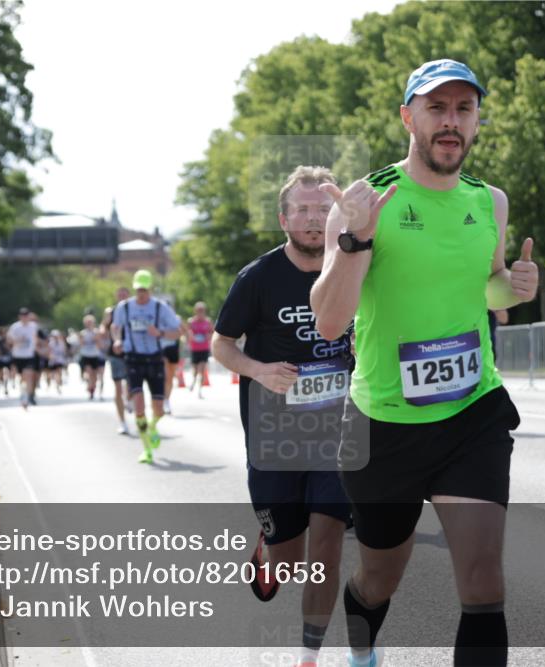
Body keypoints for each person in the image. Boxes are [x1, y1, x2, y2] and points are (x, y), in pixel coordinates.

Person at [310, 59, 537, 667]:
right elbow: (331, 320)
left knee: (484, 581)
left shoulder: (488, 201)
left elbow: (483, 290)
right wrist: (355, 240)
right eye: (436, 109)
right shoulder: (363, 203)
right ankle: (362, 636)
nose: (451, 122)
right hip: (383, 422)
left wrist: (511, 286)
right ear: (408, 116)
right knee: (380, 576)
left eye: (463, 109)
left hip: (473, 411)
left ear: (477, 121)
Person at [213, 165, 353, 667]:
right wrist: (257, 369)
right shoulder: (258, 278)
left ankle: (308, 657)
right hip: (274, 436)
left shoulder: (359, 266)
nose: (314, 220)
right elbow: (221, 344)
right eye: (303, 210)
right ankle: (269, 549)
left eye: (323, 209)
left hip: (340, 431)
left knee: (329, 544)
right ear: (284, 218)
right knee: (290, 562)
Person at [111, 270, 181, 462]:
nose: (141, 293)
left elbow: (177, 332)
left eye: (144, 289)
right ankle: (147, 449)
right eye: (138, 289)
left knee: (158, 409)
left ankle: (152, 426)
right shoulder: (124, 308)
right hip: (133, 358)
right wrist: (117, 341)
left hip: (155, 359)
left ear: (150, 289)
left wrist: (159, 333)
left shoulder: (161, 307)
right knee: (139, 405)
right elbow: (115, 327)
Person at [105, 289, 132, 434]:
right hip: (115, 352)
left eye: (124, 294)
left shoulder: (134, 309)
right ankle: (122, 422)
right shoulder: (112, 311)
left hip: (132, 352)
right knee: (117, 387)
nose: (122, 297)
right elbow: (106, 329)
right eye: (120, 294)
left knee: (132, 384)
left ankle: (129, 400)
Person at [7, 307, 39, 409]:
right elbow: (9, 340)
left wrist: (35, 347)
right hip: (18, 356)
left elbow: (35, 338)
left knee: (28, 375)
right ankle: (23, 394)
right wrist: (17, 341)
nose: (25, 317)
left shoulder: (34, 326)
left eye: (26, 315)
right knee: (22, 378)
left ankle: (27, 397)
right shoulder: (15, 327)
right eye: (23, 316)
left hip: (29, 356)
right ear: (19, 317)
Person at [187, 301, 214, 399]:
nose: (200, 312)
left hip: (204, 348)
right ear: (195, 311)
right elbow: (188, 333)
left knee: (202, 369)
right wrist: (191, 336)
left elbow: (213, 332)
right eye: (198, 310)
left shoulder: (208, 321)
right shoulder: (191, 321)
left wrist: (209, 336)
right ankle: (193, 381)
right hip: (195, 348)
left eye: (202, 310)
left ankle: (200, 391)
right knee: (195, 369)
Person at [78, 313, 105, 400]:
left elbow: (99, 345)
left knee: (95, 375)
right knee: (89, 373)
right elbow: (81, 344)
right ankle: (89, 386)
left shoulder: (97, 332)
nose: (89, 324)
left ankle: (92, 389)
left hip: (95, 355)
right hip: (86, 355)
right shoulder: (83, 333)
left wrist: (96, 339)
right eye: (87, 322)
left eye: (90, 322)